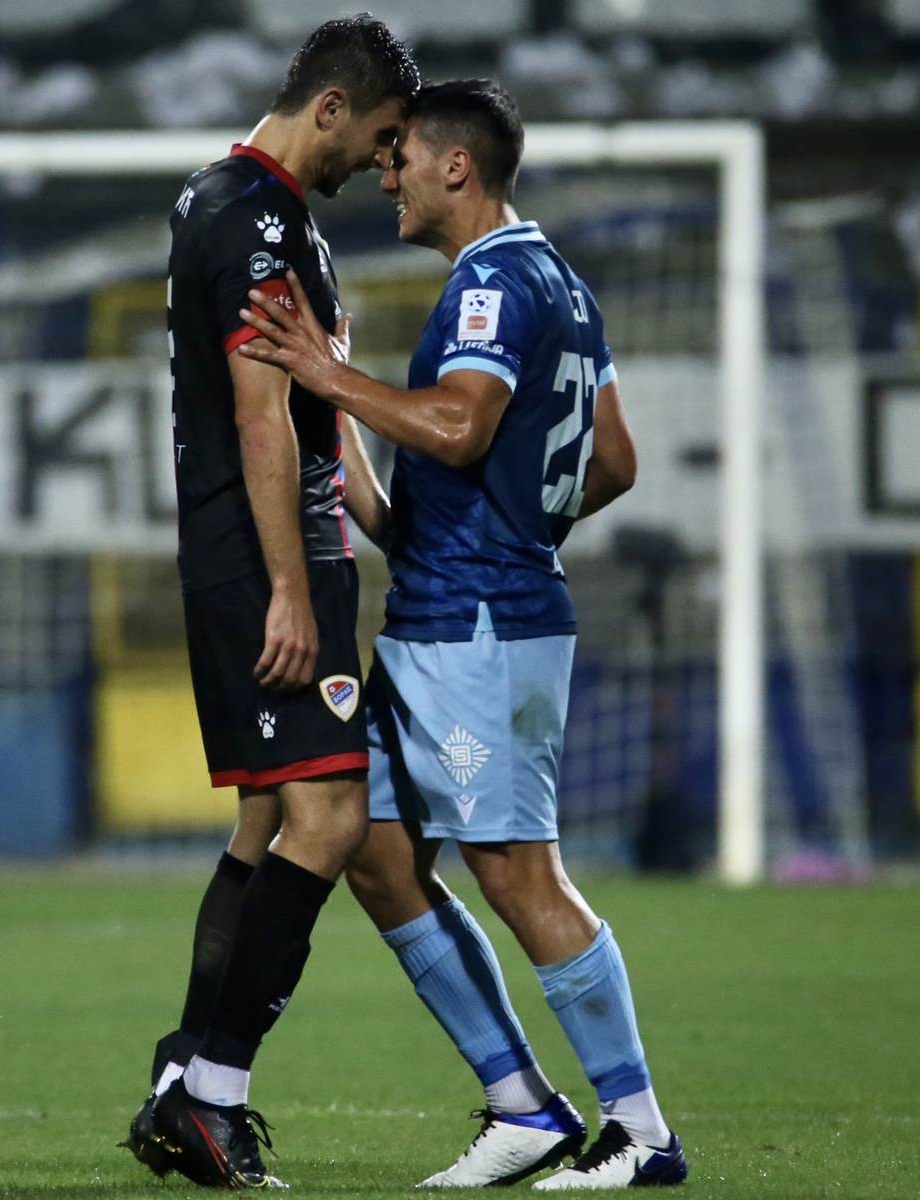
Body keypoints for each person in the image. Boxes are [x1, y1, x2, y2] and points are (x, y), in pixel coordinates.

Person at [235, 79, 687, 1189]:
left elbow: (457, 422)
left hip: (480, 634)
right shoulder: (560, 282)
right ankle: (523, 1104)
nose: (384, 174)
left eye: (401, 159)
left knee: (514, 870)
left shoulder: (492, 281)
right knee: (378, 854)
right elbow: (613, 461)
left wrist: (330, 374)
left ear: (456, 168)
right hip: (452, 612)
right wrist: (434, 496)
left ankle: (640, 1130)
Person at [121, 13, 417, 1190]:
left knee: (265, 823)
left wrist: (393, 531)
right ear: (330, 110)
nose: (384, 165)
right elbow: (257, 418)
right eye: (382, 139)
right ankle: (212, 1094)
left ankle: (181, 1075)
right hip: (262, 556)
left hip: (287, 548)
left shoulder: (267, 214)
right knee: (331, 821)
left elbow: (316, 414)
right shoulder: (250, 217)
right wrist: (290, 590)